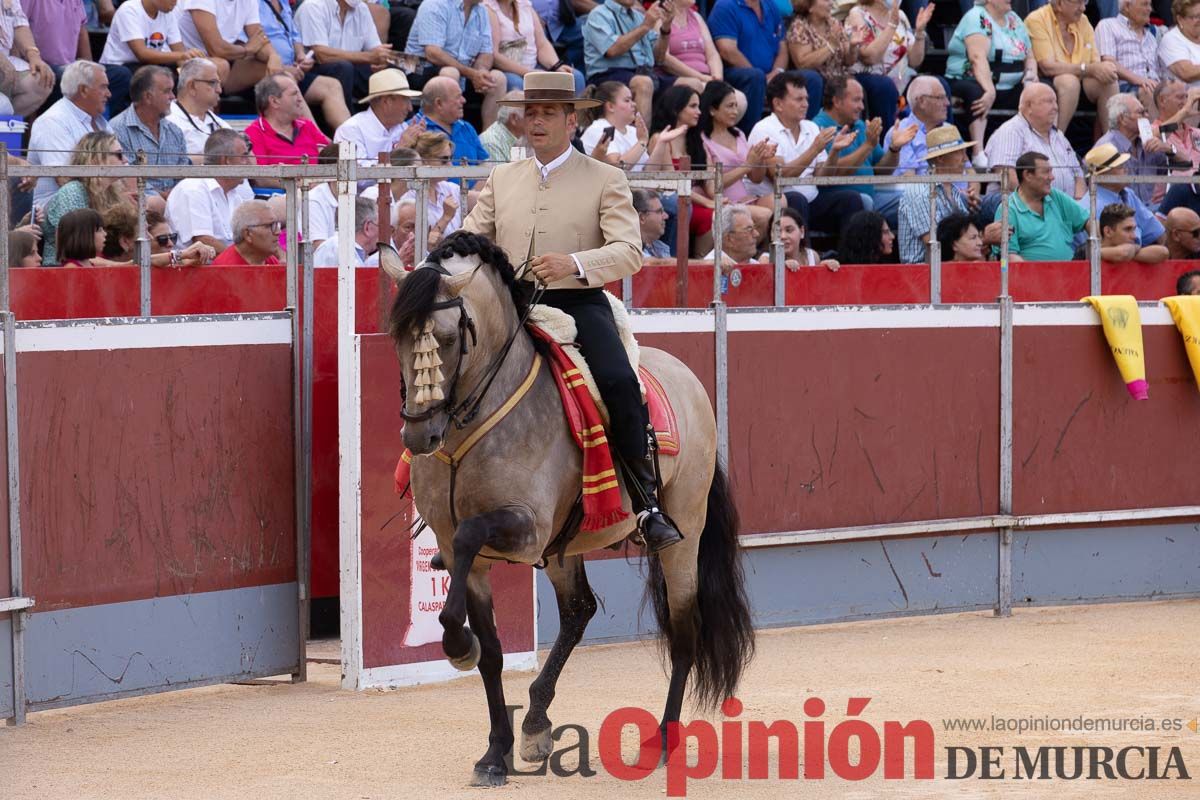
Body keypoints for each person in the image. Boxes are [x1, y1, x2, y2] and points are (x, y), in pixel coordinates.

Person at [462, 70, 681, 551]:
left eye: (547, 113)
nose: (536, 122)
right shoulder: (502, 176)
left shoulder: (606, 178)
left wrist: (574, 262)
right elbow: (473, 239)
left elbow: (629, 252)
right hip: (513, 305)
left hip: (578, 302)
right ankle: (447, 500)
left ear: (570, 120)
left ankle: (647, 503)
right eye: (530, 113)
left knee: (619, 380)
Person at [749, 70, 862, 235]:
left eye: (806, 99)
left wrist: (834, 152)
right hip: (780, 202)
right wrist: (814, 149)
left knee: (851, 199)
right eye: (799, 99)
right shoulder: (764, 129)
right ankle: (804, 256)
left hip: (811, 200)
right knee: (796, 198)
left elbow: (823, 177)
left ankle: (849, 258)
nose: (806, 104)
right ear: (778, 104)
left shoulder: (811, 127)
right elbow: (781, 176)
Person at [812, 75, 915, 227]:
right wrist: (867, 146)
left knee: (919, 200)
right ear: (837, 101)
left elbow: (882, 170)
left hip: (874, 196)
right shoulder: (818, 128)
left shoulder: (860, 124)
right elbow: (835, 171)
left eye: (862, 100)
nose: (861, 106)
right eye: (856, 100)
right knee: (863, 201)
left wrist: (894, 148)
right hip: (841, 203)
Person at [944, 0, 1038, 164]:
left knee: (1041, 93)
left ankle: (1036, 147)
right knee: (978, 92)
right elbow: (977, 57)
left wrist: (1030, 77)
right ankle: (978, 154)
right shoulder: (977, 17)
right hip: (970, 79)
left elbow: (1030, 56)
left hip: (1009, 85)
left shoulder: (1014, 19)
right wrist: (990, 90)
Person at [898, 125, 1000, 263]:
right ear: (940, 158)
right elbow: (936, 244)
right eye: (959, 153)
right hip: (922, 275)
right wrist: (983, 239)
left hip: (946, 270)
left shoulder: (955, 193)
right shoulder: (919, 192)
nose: (965, 159)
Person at [403, 0, 508, 129]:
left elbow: (486, 52)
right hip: (419, 66)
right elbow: (433, 53)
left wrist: (481, 71)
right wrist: (472, 74)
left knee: (497, 79)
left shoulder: (482, 11)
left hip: (462, 71)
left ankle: (489, 143)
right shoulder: (434, 4)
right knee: (450, 73)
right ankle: (448, 135)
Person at [983, 82, 1085, 207]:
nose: (1055, 107)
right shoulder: (1011, 131)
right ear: (1029, 106)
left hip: (1064, 211)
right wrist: (1039, 204)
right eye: (1048, 101)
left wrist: (1078, 203)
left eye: (1055, 101)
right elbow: (1006, 174)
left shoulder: (1059, 136)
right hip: (1023, 209)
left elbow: (1078, 174)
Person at [28, 61, 111, 210]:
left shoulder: (101, 122)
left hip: (99, 199)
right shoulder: (52, 121)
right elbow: (65, 180)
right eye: (103, 87)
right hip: (59, 210)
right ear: (84, 90)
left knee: (150, 204)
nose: (109, 94)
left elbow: (123, 165)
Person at [1025, 0, 1119, 133]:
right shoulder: (1037, 19)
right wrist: (1084, 69)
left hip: (1082, 82)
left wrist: (1100, 69)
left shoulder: (1083, 21)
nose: (1083, 8)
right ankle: (1056, 138)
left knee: (1108, 80)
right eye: (1078, 3)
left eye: (1085, 2)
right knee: (1069, 81)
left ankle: (1111, 141)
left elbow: (1095, 63)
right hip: (1050, 81)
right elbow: (1047, 66)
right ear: (1059, 4)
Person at [41, 132, 134, 265]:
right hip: (64, 272)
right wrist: (122, 266)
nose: (125, 160)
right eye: (119, 154)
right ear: (97, 158)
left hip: (95, 267)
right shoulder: (73, 192)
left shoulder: (112, 193)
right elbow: (73, 252)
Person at [698, 80, 775, 242]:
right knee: (765, 215)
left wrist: (760, 159)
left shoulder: (738, 133)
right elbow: (713, 185)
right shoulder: (703, 139)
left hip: (745, 198)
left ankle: (761, 254)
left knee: (779, 201)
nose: (735, 111)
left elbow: (756, 178)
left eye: (736, 106)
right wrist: (747, 165)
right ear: (712, 109)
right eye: (729, 106)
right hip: (724, 202)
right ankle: (744, 252)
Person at [257, 0, 354, 126]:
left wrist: (301, 55)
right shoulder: (252, 4)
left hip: (291, 67)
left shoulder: (283, 3)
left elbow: (294, 36)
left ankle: (350, 141)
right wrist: (283, 68)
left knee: (331, 85)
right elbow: (254, 44)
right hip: (261, 70)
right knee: (288, 79)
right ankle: (319, 141)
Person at [843, 0, 934, 132]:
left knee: (934, 85)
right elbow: (869, 57)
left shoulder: (900, 15)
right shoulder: (858, 14)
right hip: (868, 77)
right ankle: (887, 143)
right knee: (884, 86)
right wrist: (891, 26)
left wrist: (919, 32)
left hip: (901, 78)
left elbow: (915, 60)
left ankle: (941, 144)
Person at [581, 0, 673, 124]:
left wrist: (665, 28)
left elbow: (659, 58)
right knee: (643, 83)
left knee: (692, 84)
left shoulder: (639, 16)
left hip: (644, 73)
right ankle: (641, 141)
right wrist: (645, 26)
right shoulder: (598, 14)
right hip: (607, 76)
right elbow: (612, 50)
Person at [109, 66, 192, 197]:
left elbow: (184, 176)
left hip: (176, 203)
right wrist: (162, 197)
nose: (173, 97)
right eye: (167, 91)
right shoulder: (117, 129)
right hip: (138, 205)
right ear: (148, 97)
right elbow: (126, 178)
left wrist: (175, 196)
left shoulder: (175, 131)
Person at [166, 128, 256, 248]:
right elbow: (203, 241)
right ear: (227, 160)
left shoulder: (234, 194)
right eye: (243, 157)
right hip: (199, 266)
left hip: (225, 263)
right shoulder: (193, 188)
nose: (249, 163)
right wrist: (241, 260)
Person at [707, 0, 786, 134]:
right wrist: (762, 78)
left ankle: (798, 139)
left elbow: (783, 48)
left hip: (768, 74)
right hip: (734, 73)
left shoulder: (770, 5)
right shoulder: (726, 6)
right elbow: (727, 50)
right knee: (755, 77)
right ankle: (750, 139)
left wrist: (777, 72)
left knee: (810, 78)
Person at [294, 0, 391, 105]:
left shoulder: (362, 8)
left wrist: (380, 59)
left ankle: (395, 119)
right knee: (343, 68)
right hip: (314, 68)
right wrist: (369, 57)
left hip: (351, 66)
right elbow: (321, 54)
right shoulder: (313, 6)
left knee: (391, 70)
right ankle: (347, 119)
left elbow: (374, 49)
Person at [178, 0, 285, 95]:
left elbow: (259, 39)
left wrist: (274, 56)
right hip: (185, 59)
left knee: (280, 75)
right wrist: (246, 50)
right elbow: (216, 49)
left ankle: (270, 117)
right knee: (219, 66)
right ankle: (208, 116)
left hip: (227, 59)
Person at [999, 150, 1088, 262]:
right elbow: (1009, 257)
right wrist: (1039, 275)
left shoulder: (1055, 195)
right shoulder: (1008, 208)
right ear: (1027, 175)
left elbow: (1088, 221)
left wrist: (1103, 246)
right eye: (1046, 172)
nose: (1052, 177)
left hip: (1071, 274)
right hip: (1032, 277)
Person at [482, 0, 583, 92]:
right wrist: (529, 72)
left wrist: (556, 66)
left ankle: (574, 112)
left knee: (575, 77)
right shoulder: (489, 9)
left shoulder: (525, 5)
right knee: (517, 84)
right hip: (508, 70)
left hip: (534, 67)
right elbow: (494, 55)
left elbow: (542, 44)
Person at [1079, 143, 1166, 247]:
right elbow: (1106, 252)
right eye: (1120, 167)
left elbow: (1157, 233)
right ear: (1102, 175)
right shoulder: (1091, 207)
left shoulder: (1129, 194)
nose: (1126, 169)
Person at [786, 0, 858, 123]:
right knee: (817, 80)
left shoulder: (834, 23)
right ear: (810, 7)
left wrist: (853, 47)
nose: (831, 3)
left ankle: (856, 132)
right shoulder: (799, 27)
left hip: (839, 77)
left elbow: (849, 61)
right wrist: (830, 46)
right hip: (818, 80)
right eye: (826, 0)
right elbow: (802, 62)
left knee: (855, 86)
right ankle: (812, 126)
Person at [333, 68, 423, 166]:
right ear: (386, 101)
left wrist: (422, 145)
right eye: (406, 100)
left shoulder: (403, 128)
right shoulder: (349, 130)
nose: (410, 108)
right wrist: (399, 151)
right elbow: (352, 176)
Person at [1094, 93, 1170, 208]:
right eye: (1141, 112)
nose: (1147, 116)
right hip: (1120, 213)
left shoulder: (1147, 141)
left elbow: (1185, 165)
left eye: (1146, 111)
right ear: (1123, 119)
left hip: (1149, 211)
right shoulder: (1106, 147)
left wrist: (1168, 148)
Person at [244, 74, 330, 168]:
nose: (300, 99)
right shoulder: (254, 133)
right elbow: (261, 177)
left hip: (319, 181)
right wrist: (300, 181)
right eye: (294, 94)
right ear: (274, 101)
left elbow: (329, 160)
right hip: (282, 183)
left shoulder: (307, 126)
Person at [401, 76, 490, 165]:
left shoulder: (466, 128)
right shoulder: (410, 131)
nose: (464, 100)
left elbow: (483, 163)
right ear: (439, 103)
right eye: (458, 97)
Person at [1095, 0, 1162, 114]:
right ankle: (1155, 132)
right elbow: (1109, 62)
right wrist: (1140, 80)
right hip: (1125, 86)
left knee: (1185, 94)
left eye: (1150, 5)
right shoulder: (1108, 25)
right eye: (1145, 4)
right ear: (1127, 6)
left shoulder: (1151, 36)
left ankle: (1184, 132)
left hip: (1153, 85)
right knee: (1148, 92)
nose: (1150, 9)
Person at [100, 0, 206, 70]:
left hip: (146, 66)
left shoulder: (168, 15)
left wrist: (192, 72)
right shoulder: (129, 10)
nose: (176, 2)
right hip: (117, 67)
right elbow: (142, 54)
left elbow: (179, 52)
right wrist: (183, 55)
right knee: (156, 77)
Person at [165, 58, 232, 161]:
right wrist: (216, 160)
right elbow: (168, 163)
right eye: (213, 83)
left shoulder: (221, 124)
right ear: (192, 86)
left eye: (219, 83)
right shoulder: (166, 122)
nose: (219, 90)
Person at [884, 75, 951, 175]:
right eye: (940, 97)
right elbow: (910, 182)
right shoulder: (902, 133)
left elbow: (969, 171)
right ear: (921, 101)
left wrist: (973, 187)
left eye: (946, 97)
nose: (947, 103)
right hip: (929, 189)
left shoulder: (949, 129)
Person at [0, 0, 55, 116]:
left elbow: (20, 25)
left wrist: (33, 55)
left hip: (6, 58)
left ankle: (7, 127)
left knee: (42, 80)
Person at [579, 82, 649, 169]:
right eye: (627, 100)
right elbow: (617, 167)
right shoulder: (598, 128)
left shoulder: (633, 131)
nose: (634, 104)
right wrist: (642, 141)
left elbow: (648, 170)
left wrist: (662, 142)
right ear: (610, 106)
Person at [312, 196, 380, 265]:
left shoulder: (340, 247)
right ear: (367, 227)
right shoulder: (338, 248)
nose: (382, 232)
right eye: (380, 225)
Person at [211, 199, 282, 264]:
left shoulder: (268, 259)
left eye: (276, 224)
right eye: (269, 226)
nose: (278, 232)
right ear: (247, 234)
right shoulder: (226, 268)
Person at [769, 205, 839, 270]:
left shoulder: (812, 256)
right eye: (777, 231)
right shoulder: (766, 259)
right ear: (771, 234)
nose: (783, 236)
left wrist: (824, 268)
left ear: (802, 232)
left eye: (789, 230)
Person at [1096, 202, 1169, 263]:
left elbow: (1163, 252)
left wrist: (1132, 251)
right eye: (1127, 229)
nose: (1134, 236)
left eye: (1134, 229)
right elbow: (1123, 253)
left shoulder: (1131, 251)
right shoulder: (1088, 252)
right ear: (1108, 232)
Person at [1158, 0, 1200, 90]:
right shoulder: (1171, 39)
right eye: (1196, 16)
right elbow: (1187, 73)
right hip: (1186, 98)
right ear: (1180, 19)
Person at [479, 90, 526, 161]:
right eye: (530, 114)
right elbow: (497, 172)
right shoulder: (492, 144)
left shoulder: (522, 137)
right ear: (514, 119)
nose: (536, 119)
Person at [632, 187, 670, 258]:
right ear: (642, 217)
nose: (666, 216)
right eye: (659, 211)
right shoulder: (630, 250)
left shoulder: (662, 248)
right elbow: (647, 263)